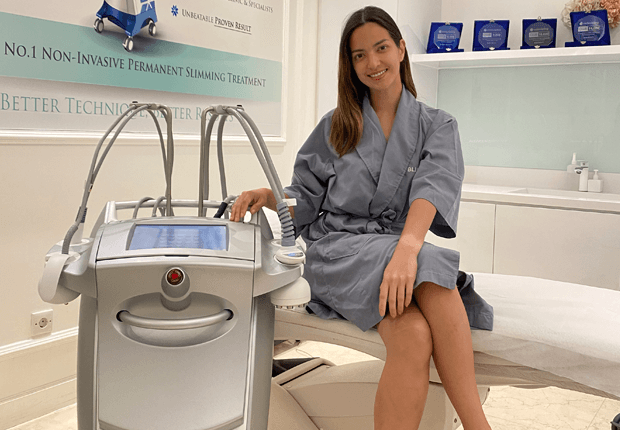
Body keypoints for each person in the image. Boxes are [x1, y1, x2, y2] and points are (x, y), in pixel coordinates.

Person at [231, 6, 494, 430]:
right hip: (338, 253)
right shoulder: (336, 126)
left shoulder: (438, 125)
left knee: (413, 336)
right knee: (430, 264)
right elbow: (307, 198)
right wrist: (270, 197)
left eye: (381, 48)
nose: (372, 63)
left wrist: (407, 249)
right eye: (359, 55)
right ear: (350, 65)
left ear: (402, 49)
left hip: (395, 254)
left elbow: (435, 184)